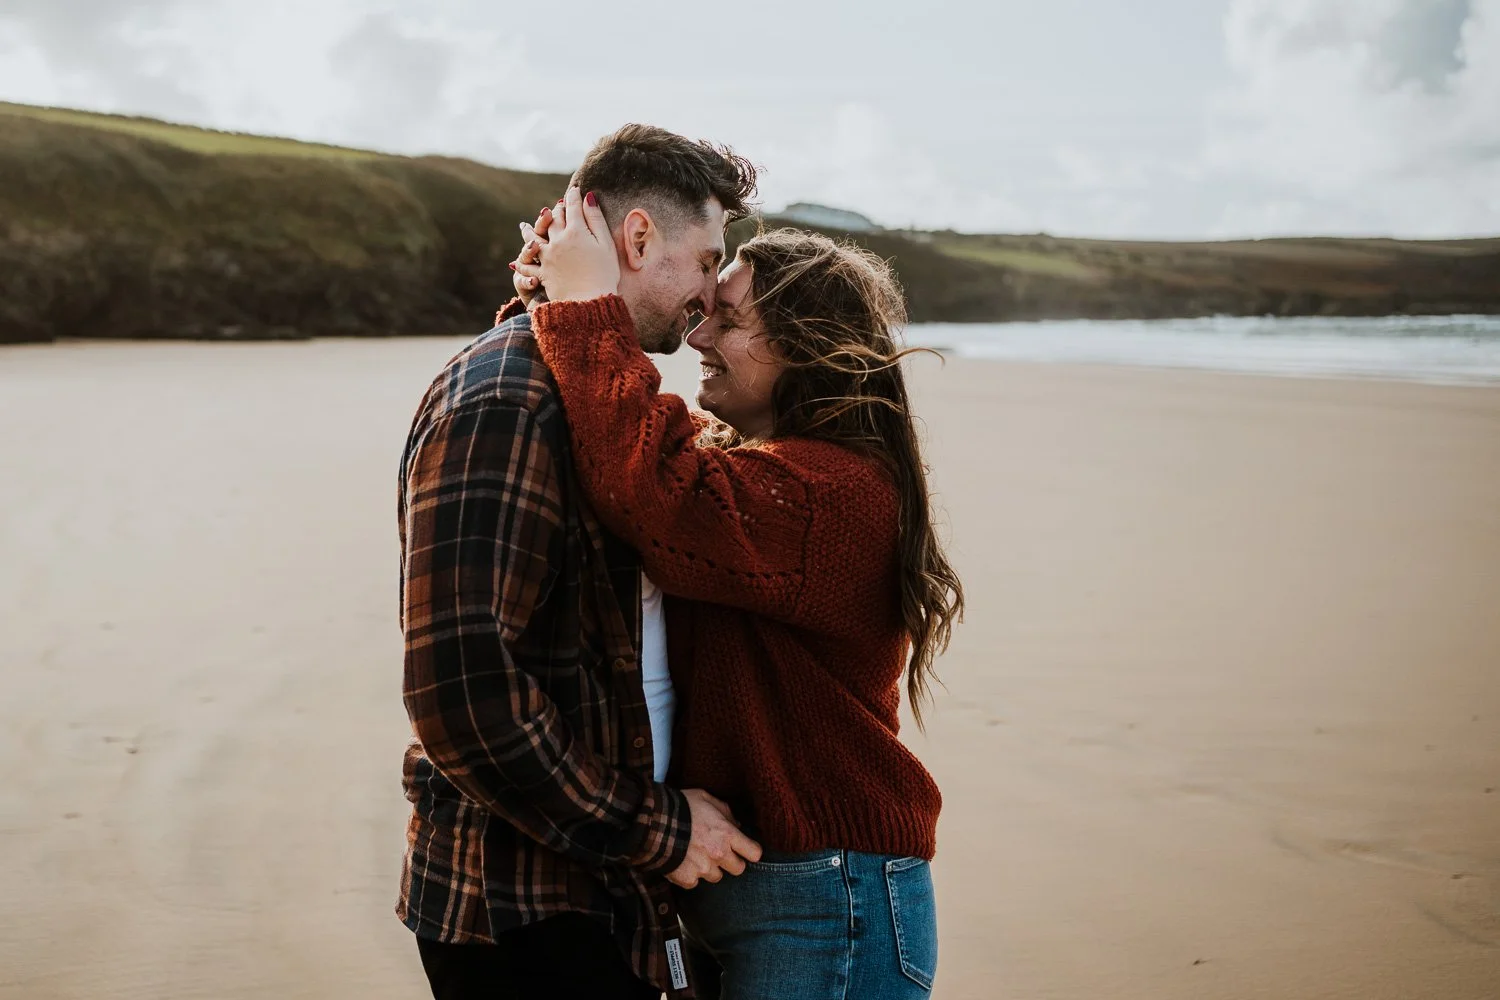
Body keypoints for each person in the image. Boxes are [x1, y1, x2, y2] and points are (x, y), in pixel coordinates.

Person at [512, 187, 965, 999]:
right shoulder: (771, 470)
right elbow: (635, 436)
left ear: (807, 348)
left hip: (830, 899)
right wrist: (551, 288)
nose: (696, 337)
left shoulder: (830, 493)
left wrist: (584, 308)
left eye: (728, 319)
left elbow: (654, 486)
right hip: (779, 886)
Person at [396, 125, 764, 1000]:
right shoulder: (506, 400)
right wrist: (658, 829)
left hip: (595, 895)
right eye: (708, 259)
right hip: (527, 911)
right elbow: (461, 689)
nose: (710, 296)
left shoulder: (573, 388)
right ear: (638, 240)